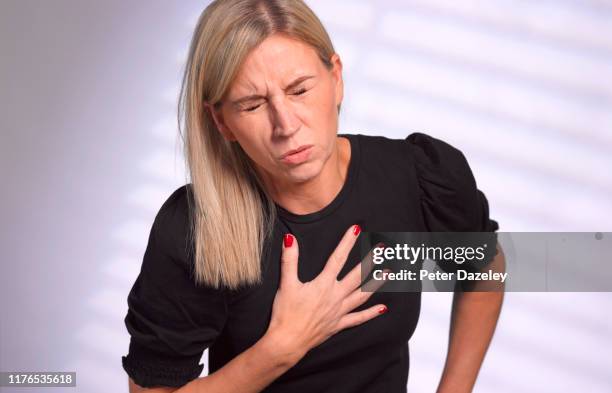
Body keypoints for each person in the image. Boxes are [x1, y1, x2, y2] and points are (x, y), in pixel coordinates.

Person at [121, 0, 505, 392]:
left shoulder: (417, 176)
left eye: (299, 89)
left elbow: (485, 268)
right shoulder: (195, 228)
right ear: (223, 122)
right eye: (252, 104)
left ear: (336, 77)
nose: (285, 125)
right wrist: (281, 347)